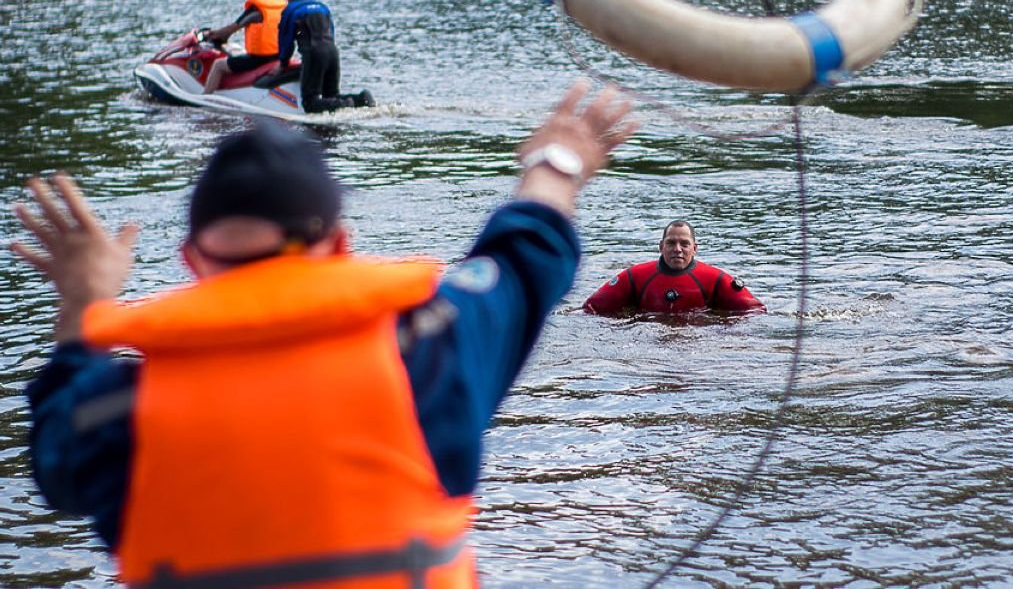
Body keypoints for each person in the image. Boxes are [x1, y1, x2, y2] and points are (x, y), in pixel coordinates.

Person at [11, 81, 636, 588]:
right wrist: (558, 161)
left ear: (191, 260)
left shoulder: (115, 413)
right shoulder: (428, 350)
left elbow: (54, 444)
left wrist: (85, 301)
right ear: (340, 245)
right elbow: (527, 255)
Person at [584, 219, 766, 315]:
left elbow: (755, 313)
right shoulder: (634, 277)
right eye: (671, 243)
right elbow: (590, 310)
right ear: (661, 246)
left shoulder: (716, 280)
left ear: (694, 249)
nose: (677, 249)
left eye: (684, 244)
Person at [276, 0, 374, 112]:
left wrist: (283, 63)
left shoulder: (291, 10)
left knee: (310, 102)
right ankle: (361, 99)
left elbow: (286, 40)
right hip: (332, 52)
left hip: (314, 53)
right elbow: (331, 32)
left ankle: (346, 104)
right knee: (332, 95)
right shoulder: (322, 7)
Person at [201, 0, 288, 94]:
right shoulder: (280, 7)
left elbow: (233, 27)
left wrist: (213, 34)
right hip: (278, 56)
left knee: (218, 65)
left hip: (259, 59)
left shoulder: (257, 8)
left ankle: (205, 97)